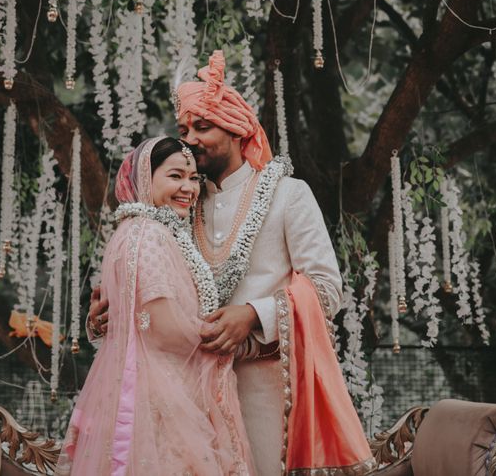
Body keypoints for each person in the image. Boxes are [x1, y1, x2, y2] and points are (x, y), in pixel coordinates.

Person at [89, 51, 374, 474]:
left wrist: (252, 315)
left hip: (265, 387)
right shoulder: (180, 201)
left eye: (203, 127)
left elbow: (327, 289)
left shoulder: (288, 195)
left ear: (238, 129)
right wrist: (115, 307)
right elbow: (152, 279)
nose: (190, 139)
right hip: (187, 392)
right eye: (184, 130)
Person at [58, 136, 254, 476]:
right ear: (146, 179)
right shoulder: (149, 234)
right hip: (161, 399)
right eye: (175, 176)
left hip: (151, 389)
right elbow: (163, 324)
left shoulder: (138, 230)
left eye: (193, 178)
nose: (188, 188)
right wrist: (224, 337)